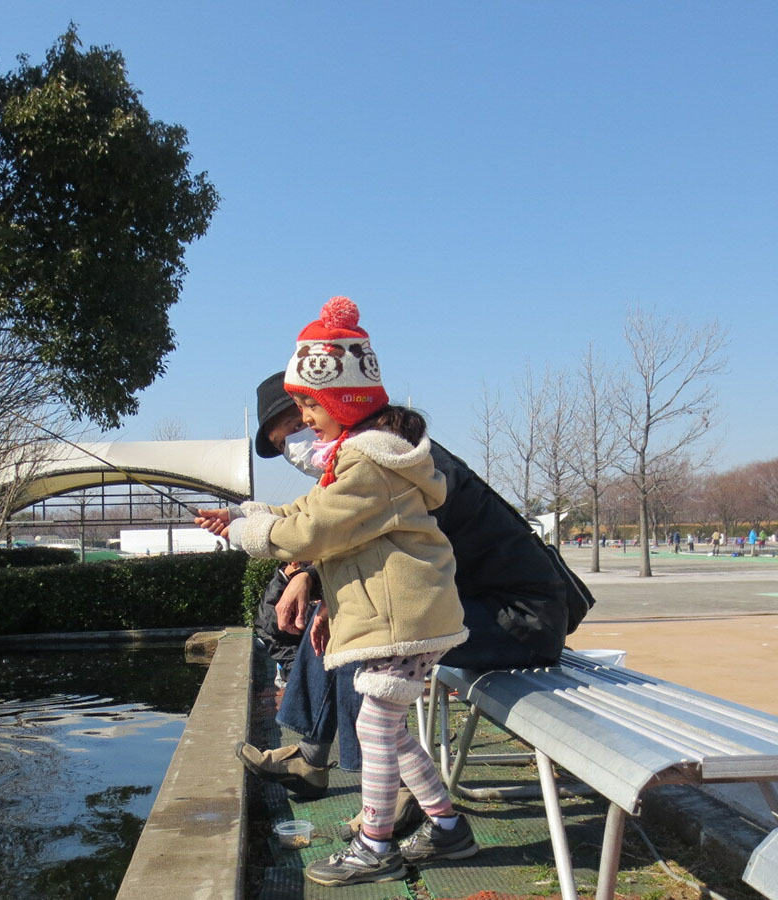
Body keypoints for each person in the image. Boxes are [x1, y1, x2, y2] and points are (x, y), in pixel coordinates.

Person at [223, 366, 594, 836]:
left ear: (344, 407)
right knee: (346, 619)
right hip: (467, 605)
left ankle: (393, 793)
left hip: (517, 617)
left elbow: (353, 538)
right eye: (283, 442)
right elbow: (365, 541)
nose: (300, 440)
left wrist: (305, 571)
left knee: (369, 638)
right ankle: (313, 756)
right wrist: (315, 583)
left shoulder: (390, 461)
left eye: (302, 421)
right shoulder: (369, 458)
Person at [198, 297, 477, 886]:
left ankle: (376, 843)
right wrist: (249, 514)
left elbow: (312, 529)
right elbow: (308, 511)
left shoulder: (368, 464)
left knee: (376, 726)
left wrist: (256, 532)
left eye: (306, 404)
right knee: (390, 729)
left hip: (404, 620)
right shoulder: (366, 461)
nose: (304, 419)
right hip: (404, 617)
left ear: (340, 400)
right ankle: (449, 830)